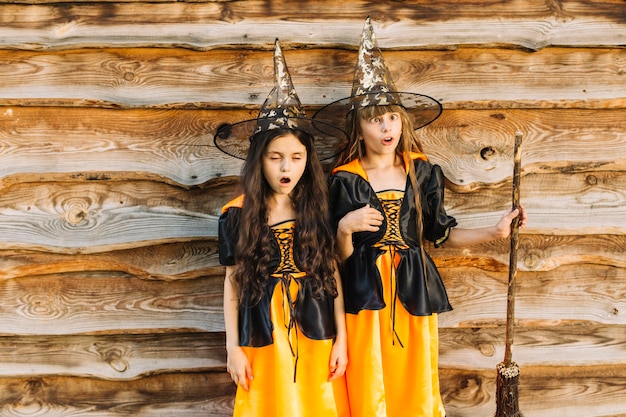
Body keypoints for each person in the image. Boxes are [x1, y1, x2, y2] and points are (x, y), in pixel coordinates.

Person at [314, 17, 527, 417]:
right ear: (358, 129)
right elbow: (334, 258)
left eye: (392, 116)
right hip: (364, 291)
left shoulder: (421, 171)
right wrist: (345, 228)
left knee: (413, 379)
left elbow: (439, 235)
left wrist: (494, 231)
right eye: (375, 118)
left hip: (414, 287)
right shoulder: (343, 180)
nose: (386, 125)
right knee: (368, 378)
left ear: (402, 120)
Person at [215, 40, 350, 417]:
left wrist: (342, 339)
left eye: (296, 157)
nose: (286, 168)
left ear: (308, 159)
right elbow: (232, 283)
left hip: (317, 326)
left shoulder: (316, 209)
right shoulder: (236, 214)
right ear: (260, 161)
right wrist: (233, 347)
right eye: (276, 158)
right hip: (262, 327)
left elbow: (332, 272)